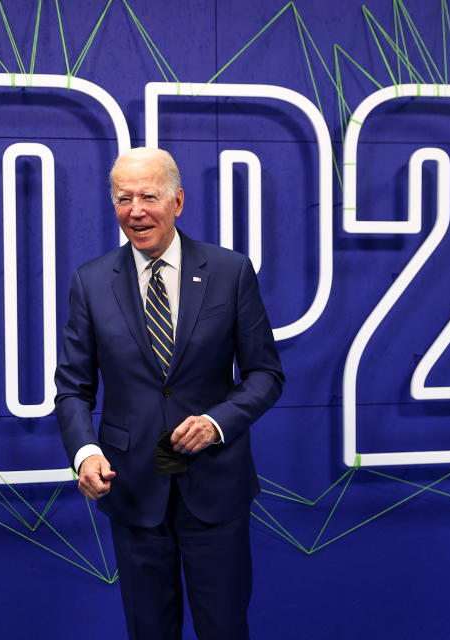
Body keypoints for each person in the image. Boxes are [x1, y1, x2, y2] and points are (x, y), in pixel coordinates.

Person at [54, 147, 284, 640]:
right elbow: (72, 388)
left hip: (215, 487)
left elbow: (265, 374)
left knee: (224, 628)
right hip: (133, 487)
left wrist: (219, 421)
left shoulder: (231, 271)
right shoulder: (91, 282)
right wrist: (85, 453)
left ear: (177, 201)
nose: (135, 210)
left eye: (148, 196)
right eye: (123, 198)